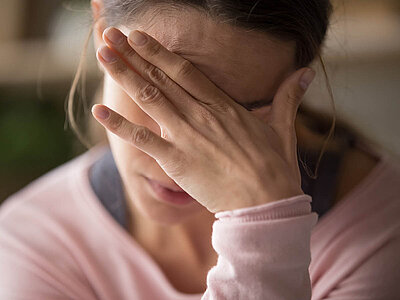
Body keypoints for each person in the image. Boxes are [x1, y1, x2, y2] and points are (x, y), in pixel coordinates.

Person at [0, 0, 399, 299]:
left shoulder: (381, 232)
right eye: (158, 94)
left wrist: (262, 224)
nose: (180, 161)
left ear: (298, 81)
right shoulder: (33, 244)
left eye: (238, 115)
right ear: (102, 22)